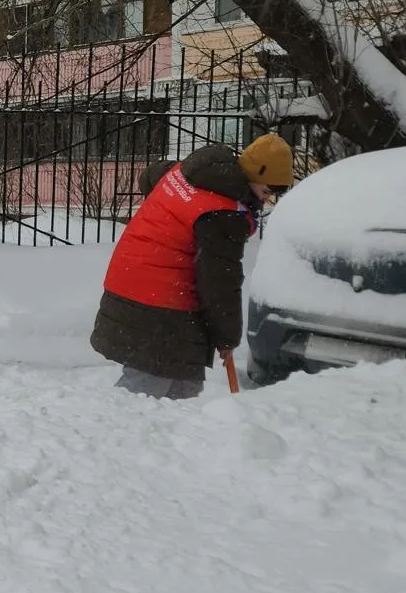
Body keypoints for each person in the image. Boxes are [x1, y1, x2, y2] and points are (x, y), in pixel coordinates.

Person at [92, 132, 295, 399]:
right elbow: (219, 281)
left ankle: (165, 437)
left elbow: (149, 177)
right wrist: (227, 337)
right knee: (146, 386)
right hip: (159, 300)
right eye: (267, 190)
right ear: (253, 177)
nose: (267, 199)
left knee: (183, 383)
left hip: (131, 278)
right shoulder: (223, 214)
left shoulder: (188, 172)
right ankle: (110, 434)